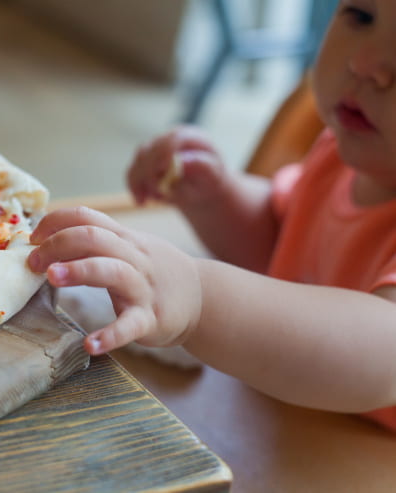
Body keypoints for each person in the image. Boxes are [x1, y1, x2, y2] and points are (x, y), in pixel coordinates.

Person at [28, 0, 396, 429]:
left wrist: (199, 297)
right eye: (362, 17)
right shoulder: (339, 152)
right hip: (277, 425)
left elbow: (382, 350)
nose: (366, 63)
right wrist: (218, 198)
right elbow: (280, 241)